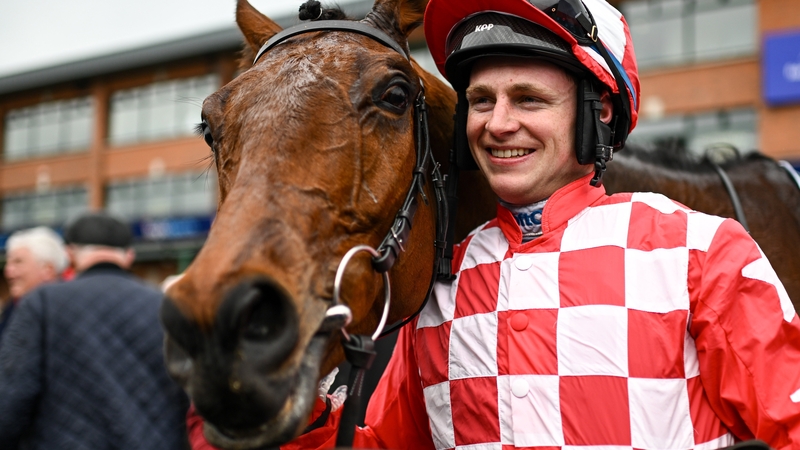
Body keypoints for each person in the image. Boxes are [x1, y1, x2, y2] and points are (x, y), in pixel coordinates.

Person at [190, 0, 800, 448]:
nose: (497, 123)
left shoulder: (704, 252)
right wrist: (280, 412)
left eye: (528, 100)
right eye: (481, 101)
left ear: (599, 110)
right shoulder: (440, 286)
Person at [0, 212, 190, 450]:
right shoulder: (167, 306)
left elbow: (10, 398)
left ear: (70, 254)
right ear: (129, 256)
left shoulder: (42, 304)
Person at [0, 226, 68, 340]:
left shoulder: (69, 313)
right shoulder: (10, 311)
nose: (8, 271)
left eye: (18, 262)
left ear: (47, 270)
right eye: (8, 263)